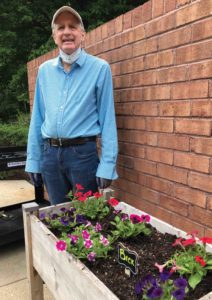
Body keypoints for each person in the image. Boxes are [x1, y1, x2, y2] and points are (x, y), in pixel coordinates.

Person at [25, 6, 118, 205]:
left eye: (72, 27)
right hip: (49, 155)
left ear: (82, 34)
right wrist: (33, 161)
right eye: (61, 27)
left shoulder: (99, 68)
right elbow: (38, 118)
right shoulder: (44, 71)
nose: (66, 31)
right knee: (58, 216)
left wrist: (108, 164)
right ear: (54, 36)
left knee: (87, 218)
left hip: (83, 156)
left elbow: (108, 119)